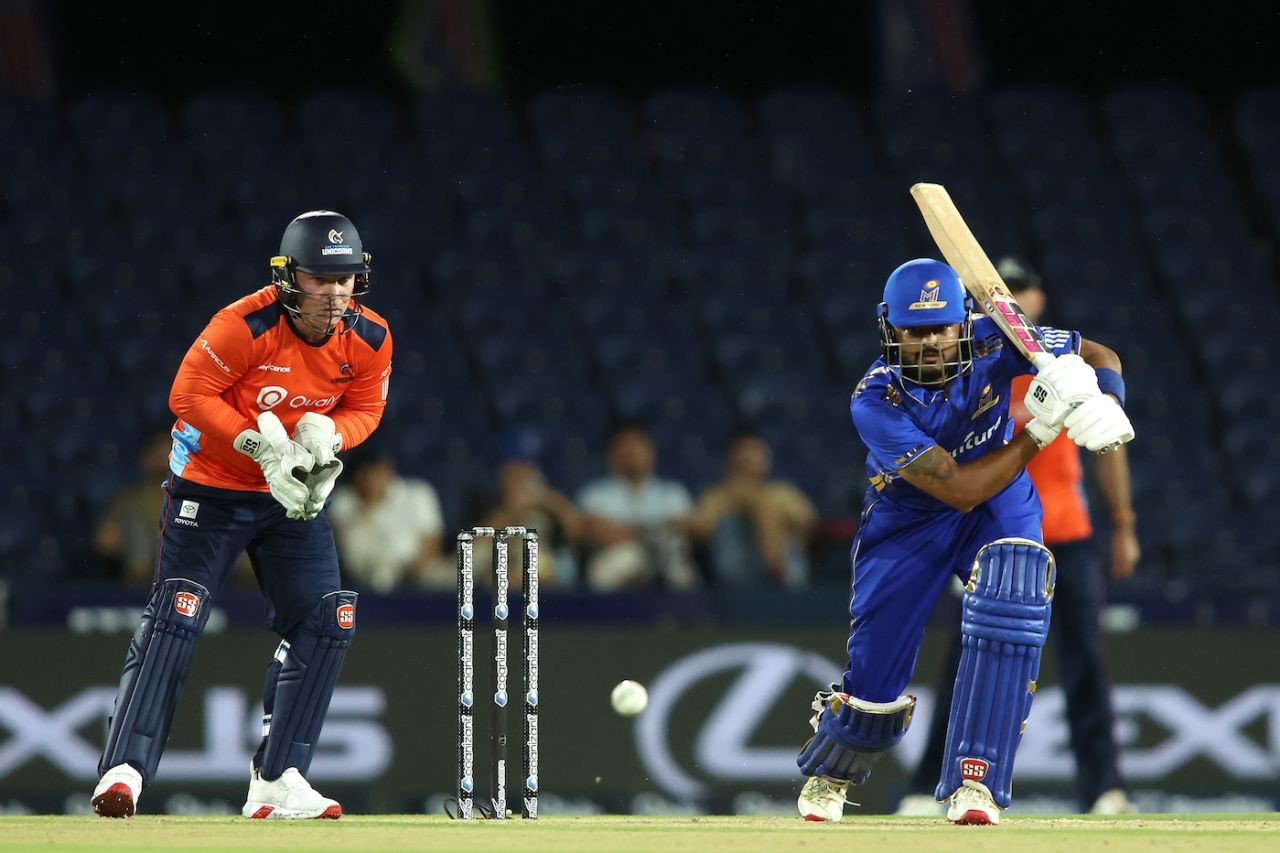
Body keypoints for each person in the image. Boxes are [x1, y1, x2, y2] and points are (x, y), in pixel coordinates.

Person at [794, 258, 1134, 826]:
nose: (929, 343)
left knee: (1011, 606)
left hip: (1001, 502)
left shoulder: (997, 338)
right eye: (915, 331)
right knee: (876, 674)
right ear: (890, 329)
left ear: (963, 323)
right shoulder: (875, 400)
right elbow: (959, 489)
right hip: (910, 518)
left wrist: (1106, 400)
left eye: (940, 328)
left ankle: (976, 781)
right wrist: (1042, 429)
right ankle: (832, 772)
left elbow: (1101, 355)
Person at [91, 211, 393, 820]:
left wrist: (328, 437)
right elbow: (187, 395)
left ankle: (278, 781)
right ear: (288, 277)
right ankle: (124, 771)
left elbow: (366, 408)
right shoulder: (243, 325)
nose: (334, 294)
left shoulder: (371, 336)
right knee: (178, 611)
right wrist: (258, 446)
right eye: (319, 279)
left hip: (291, 496)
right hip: (211, 487)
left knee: (328, 619)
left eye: (344, 280)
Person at [895, 257, 1140, 817]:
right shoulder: (976, 363)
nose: (1012, 299)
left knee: (1085, 662)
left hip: (1067, 534)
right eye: (1002, 291)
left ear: (1038, 301)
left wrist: (1123, 522)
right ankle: (929, 786)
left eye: (1021, 290)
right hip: (993, 536)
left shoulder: (1061, 360)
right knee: (967, 663)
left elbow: (1108, 443)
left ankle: (1103, 789)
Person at [577, 420, 699, 591]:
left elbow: (684, 531)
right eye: (624, 446)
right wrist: (655, 530)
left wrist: (627, 530)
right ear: (611, 454)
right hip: (617, 558)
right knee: (609, 568)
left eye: (637, 446)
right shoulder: (595, 494)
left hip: (666, 558)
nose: (631, 452)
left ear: (651, 452)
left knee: (681, 569)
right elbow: (601, 534)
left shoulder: (673, 492)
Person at [688, 430, 818, 587]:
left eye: (755, 453)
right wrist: (740, 504)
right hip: (732, 584)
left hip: (785, 583)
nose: (748, 459)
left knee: (771, 503)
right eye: (743, 456)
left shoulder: (783, 494)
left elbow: (810, 524)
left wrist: (795, 530)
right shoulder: (716, 498)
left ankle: (775, 570)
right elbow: (700, 528)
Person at [327, 445, 446, 591]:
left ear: (385, 469)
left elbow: (432, 540)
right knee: (380, 577)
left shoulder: (418, 493)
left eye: (372, 475)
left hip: (418, 573)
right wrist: (367, 508)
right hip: (371, 576)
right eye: (362, 479)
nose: (369, 483)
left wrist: (413, 573)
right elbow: (348, 551)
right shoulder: (344, 501)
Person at [480, 429, 584, 587]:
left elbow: (577, 534)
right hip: (497, 565)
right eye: (518, 466)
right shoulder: (485, 495)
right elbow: (481, 542)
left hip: (544, 570)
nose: (524, 473)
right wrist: (515, 508)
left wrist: (550, 502)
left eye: (529, 467)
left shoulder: (551, 499)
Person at [92, 432, 172, 583]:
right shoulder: (130, 498)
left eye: (168, 455)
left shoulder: (194, 498)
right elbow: (105, 541)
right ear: (146, 459)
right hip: (141, 574)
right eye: (158, 456)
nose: (163, 462)